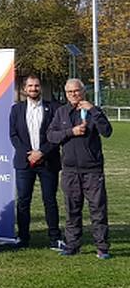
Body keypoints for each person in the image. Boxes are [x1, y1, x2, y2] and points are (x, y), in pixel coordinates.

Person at [47, 78, 113, 259]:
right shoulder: (61, 112)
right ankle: (72, 245)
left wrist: (92, 110)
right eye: (69, 92)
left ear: (83, 91)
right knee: (72, 209)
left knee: (98, 210)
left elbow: (107, 131)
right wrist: (71, 132)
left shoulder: (94, 111)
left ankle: (102, 247)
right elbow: (51, 136)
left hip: (92, 170)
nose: (73, 94)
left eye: (76, 91)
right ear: (66, 94)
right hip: (69, 170)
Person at [8, 74, 63, 249]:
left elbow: (56, 136)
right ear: (24, 89)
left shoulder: (53, 108)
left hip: (48, 162)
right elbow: (13, 135)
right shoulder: (16, 109)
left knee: (50, 200)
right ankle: (23, 237)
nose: (33, 89)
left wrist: (41, 152)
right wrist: (28, 153)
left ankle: (55, 238)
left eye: (36, 86)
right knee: (23, 201)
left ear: (41, 88)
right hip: (24, 163)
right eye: (30, 86)